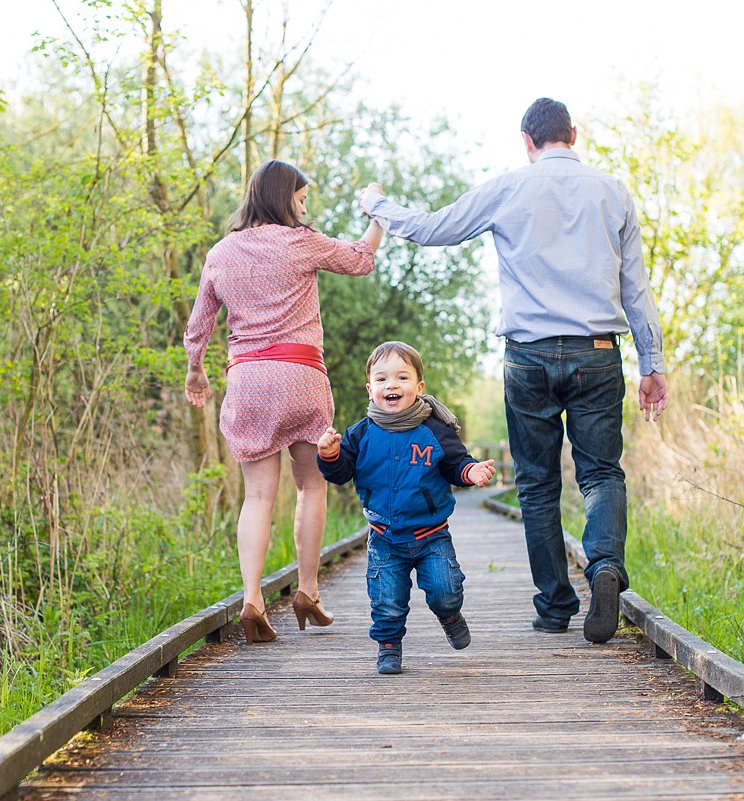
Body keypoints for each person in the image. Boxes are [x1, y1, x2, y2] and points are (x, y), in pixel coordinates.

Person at [359, 98, 668, 645]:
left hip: (527, 356)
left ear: (527, 141)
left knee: (537, 484)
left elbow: (433, 230)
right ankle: (604, 569)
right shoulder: (614, 191)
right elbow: (636, 288)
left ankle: (554, 605)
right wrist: (653, 364)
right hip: (598, 351)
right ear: (573, 134)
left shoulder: (508, 187)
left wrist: (379, 206)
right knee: (600, 473)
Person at [184, 159, 385, 644]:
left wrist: (195, 369)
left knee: (257, 496)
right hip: (300, 376)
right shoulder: (300, 241)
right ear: (282, 198)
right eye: (300, 198)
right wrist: (380, 213)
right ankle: (308, 591)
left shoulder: (221, 251)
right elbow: (360, 259)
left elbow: (200, 323)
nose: (304, 206)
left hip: (247, 379)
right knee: (311, 487)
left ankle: (252, 597)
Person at [317, 341, 496, 674]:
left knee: (445, 590)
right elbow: (340, 473)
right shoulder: (361, 434)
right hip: (384, 537)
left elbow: (457, 463)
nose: (392, 385)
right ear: (371, 389)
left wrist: (472, 472)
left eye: (402, 377)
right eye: (383, 379)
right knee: (386, 600)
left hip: (432, 535)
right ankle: (388, 646)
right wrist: (329, 455)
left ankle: (450, 614)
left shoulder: (434, 429)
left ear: (419, 387)